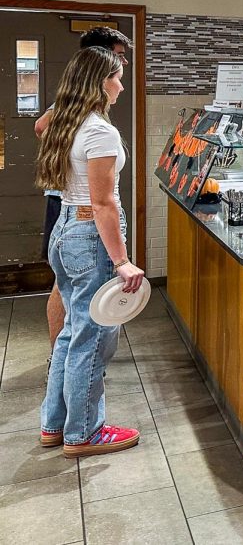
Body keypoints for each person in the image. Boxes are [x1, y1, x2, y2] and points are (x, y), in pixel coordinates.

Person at [35, 46, 144, 456]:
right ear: (100, 82)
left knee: (71, 333)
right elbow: (104, 203)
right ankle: (84, 433)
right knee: (94, 337)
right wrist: (122, 261)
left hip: (63, 230)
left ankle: (55, 424)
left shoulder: (66, 121)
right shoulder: (100, 131)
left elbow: (40, 125)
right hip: (88, 235)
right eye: (116, 77)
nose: (120, 85)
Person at [34, 26, 132, 349]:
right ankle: (65, 361)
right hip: (75, 209)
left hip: (75, 213)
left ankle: (65, 362)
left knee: (74, 311)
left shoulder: (87, 112)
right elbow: (41, 126)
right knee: (72, 307)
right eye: (117, 57)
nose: (124, 66)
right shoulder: (78, 105)